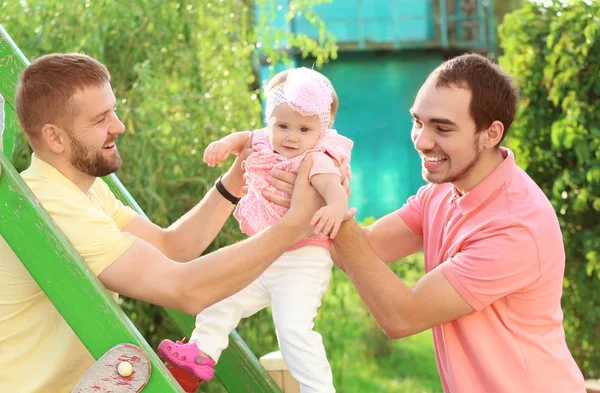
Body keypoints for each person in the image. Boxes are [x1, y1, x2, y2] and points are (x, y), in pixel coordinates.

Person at [0, 54, 323, 393]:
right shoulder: (50, 204)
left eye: (113, 110)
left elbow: (173, 248)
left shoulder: (84, 191)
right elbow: (184, 290)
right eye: (100, 119)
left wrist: (235, 180)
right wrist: (293, 226)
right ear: (55, 138)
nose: (119, 126)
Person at [328, 53, 587, 393]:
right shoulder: (442, 193)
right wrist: (308, 180)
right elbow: (365, 248)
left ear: (491, 133)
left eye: (442, 128)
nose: (421, 140)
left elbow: (402, 316)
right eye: (417, 122)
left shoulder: (516, 227)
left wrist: (331, 204)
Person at [158, 67, 353, 393]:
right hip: (263, 253)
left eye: (303, 129)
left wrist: (335, 207)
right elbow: (245, 138)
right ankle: (199, 355)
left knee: (293, 330)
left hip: (301, 262)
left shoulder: (317, 157)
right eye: (282, 125)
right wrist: (223, 144)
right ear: (270, 120)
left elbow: (332, 186)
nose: (291, 136)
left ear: (321, 130)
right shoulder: (266, 140)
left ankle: (318, 389)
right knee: (219, 297)